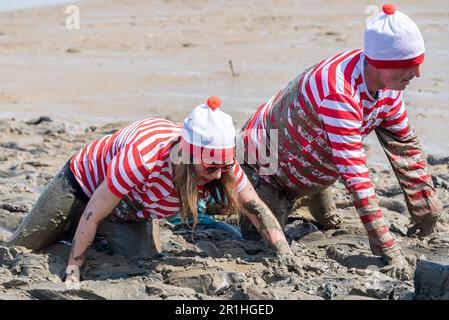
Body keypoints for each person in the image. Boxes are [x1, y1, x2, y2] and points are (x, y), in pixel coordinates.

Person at [238, 4, 442, 266]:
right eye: (409, 66)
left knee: (323, 224)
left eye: (418, 64)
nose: (417, 74)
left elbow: (406, 147)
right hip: (265, 171)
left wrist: (427, 213)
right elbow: (356, 177)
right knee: (259, 242)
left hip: (312, 168)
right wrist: (387, 248)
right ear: (380, 64)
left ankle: (307, 202)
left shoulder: (389, 86)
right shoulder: (339, 92)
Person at [7, 96, 293, 283]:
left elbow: (255, 206)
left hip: (127, 212)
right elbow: (93, 213)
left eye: (224, 165)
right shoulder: (143, 158)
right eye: (210, 168)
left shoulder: (220, 160)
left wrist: (283, 251)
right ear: (189, 154)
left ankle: (78, 236)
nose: (219, 173)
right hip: (81, 187)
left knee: (142, 260)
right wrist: (73, 268)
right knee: (22, 246)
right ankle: (60, 231)